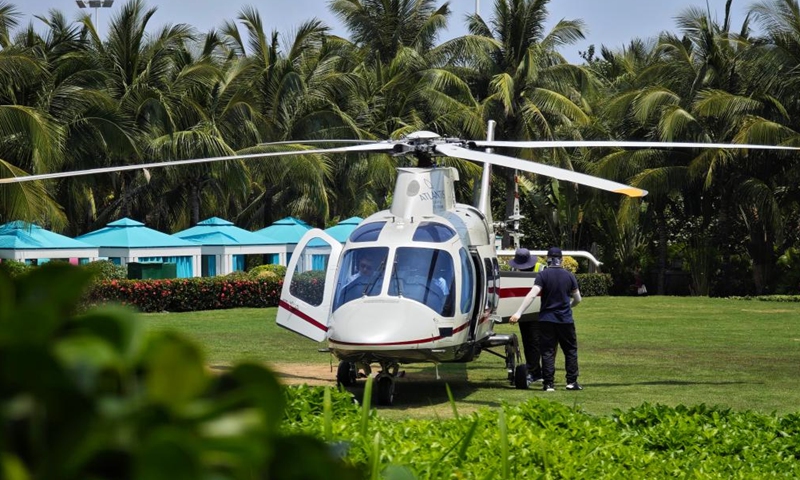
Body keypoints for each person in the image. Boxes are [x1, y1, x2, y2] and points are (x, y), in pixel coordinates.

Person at [509, 247, 583, 392]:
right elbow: (578, 299)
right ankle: (571, 381)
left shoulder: (543, 275)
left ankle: (548, 384)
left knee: (547, 351)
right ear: (561, 259)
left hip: (546, 319)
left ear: (548, 259)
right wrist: (568, 306)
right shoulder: (569, 276)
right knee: (570, 350)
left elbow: (532, 294)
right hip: (565, 319)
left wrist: (518, 313)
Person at [507, 248, 545, 385]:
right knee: (528, 341)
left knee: (535, 342)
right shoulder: (513, 271)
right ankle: (535, 370)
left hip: (537, 311)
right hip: (522, 312)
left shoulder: (541, 269)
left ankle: (536, 371)